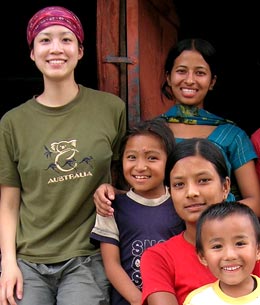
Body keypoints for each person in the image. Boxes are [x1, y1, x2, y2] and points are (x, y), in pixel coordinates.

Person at [0, 6, 126, 305]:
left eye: (66, 40)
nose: (56, 49)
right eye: (44, 40)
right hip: (29, 259)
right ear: (32, 53)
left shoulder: (111, 109)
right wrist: (8, 264)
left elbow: (128, 178)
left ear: (81, 51)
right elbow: (9, 201)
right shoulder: (12, 123)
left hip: (87, 255)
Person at [93, 38, 260, 218]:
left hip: (215, 236)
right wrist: (109, 193)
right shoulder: (151, 134)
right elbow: (139, 194)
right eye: (181, 71)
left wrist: (210, 219)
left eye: (200, 73)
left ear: (212, 81)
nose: (189, 80)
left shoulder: (232, 135)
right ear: (168, 77)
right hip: (158, 234)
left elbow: (255, 202)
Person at [140, 138, 260, 305]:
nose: (191, 192)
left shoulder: (251, 248)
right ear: (170, 192)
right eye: (179, 184)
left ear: (225, 187)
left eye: (203, 180)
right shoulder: (159, 258)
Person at [90, 119, 185, 305]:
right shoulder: (110, 206)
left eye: (152, 158)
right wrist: (138, 300)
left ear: (169, 162)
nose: (140, 166)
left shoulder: (179, 204)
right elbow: (111, 265)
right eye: (131, 157)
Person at [183, 201, 260, 305]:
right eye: (217, 246)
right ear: (203, 257)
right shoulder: (198, 301)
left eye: (240, 243)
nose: (230, 255)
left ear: (258, 250)